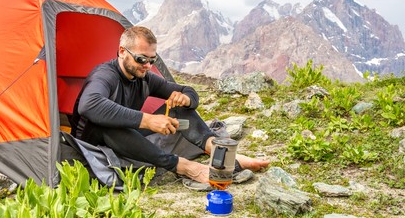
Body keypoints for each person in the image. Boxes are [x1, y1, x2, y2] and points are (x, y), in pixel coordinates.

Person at [70, 26, 269, 185]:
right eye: (141, 59)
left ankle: (219, 152)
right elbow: (89, 105)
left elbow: (188, 91)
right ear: (122, 52)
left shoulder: (145, 77)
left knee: (179, 108)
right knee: (109, 125)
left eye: (152, 59)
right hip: (95, 143)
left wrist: (187, 99)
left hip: (128, 138)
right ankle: (186, 167)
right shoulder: (105, 75)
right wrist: (148, 120)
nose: (147, 65)